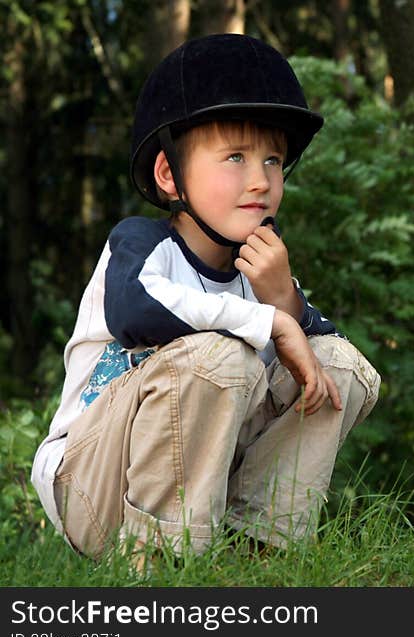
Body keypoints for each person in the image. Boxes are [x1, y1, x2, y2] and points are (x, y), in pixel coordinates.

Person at [30, 34, 380, 563]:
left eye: (273, 160)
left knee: (341, 366)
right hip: (94, 484)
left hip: (206, 486)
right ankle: (161, 566)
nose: (260, 180)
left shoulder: (259, 274)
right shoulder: (141, 246)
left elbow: (322, 350)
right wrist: (268, 322)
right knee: (219, 355)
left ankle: (258, 552)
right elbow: (135, 312)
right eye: (235, 156)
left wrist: (283, 300)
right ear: (170, 175)